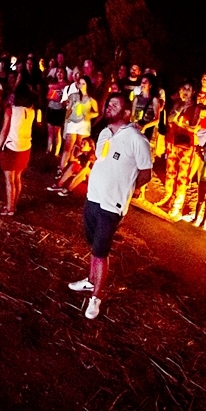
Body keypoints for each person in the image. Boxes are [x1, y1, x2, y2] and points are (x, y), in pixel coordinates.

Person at [68, 93, 153, 319]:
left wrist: (128, 189)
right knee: (93, 246)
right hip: (93, 197)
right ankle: (90, 281)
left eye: (115, 105)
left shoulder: (137, 139)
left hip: (111, 205)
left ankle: (96, 297)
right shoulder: (104, 133)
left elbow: (146, 174)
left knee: (100, 251)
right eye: (108, 103)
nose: (108, 107)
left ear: (126, 113)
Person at [158, 82, 200, 217]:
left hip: (186, 144)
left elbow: (193, 127)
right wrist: (179, 110)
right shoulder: (177, 104)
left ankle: (178, 204)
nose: (186, 91)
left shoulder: (196, 108)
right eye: (184, 88)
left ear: (193, 92)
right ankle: (167, 195)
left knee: (183, 175)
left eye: (189, 89)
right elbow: (169, 120)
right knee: (170, 170)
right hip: (172, 140)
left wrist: (181, 123)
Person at [0, 86, 36, 216]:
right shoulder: (31, 111)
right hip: (25, 147)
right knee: (17, 178)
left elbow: (4, 130)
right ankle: (13, 204)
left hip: (12, 147)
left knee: (9, 180)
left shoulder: (10, 111)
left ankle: (9, 208)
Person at [60, 75, 99, 175]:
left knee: (80, 147)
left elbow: (97, 112)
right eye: (79, 83)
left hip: (84, 124)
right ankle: (62, 169)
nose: (81, 86)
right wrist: (66, 124)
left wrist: (90, 115)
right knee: (68, 146)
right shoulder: (73, 96)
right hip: (73, 122)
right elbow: (68, 110)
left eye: (83, 84)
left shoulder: (91, 99)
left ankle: (74, 168)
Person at [46, 68, 68, 155]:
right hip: (51, 109)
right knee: (50, 132)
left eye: (61, 72)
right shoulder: (52, 83)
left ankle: (56, 152)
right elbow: (48, 96)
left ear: (64, 74)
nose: (59, 74)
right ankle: (48, 150)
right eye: (58, 72)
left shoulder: (66, 86)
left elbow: (65, 99)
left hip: (59, 110)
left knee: (57, 132)